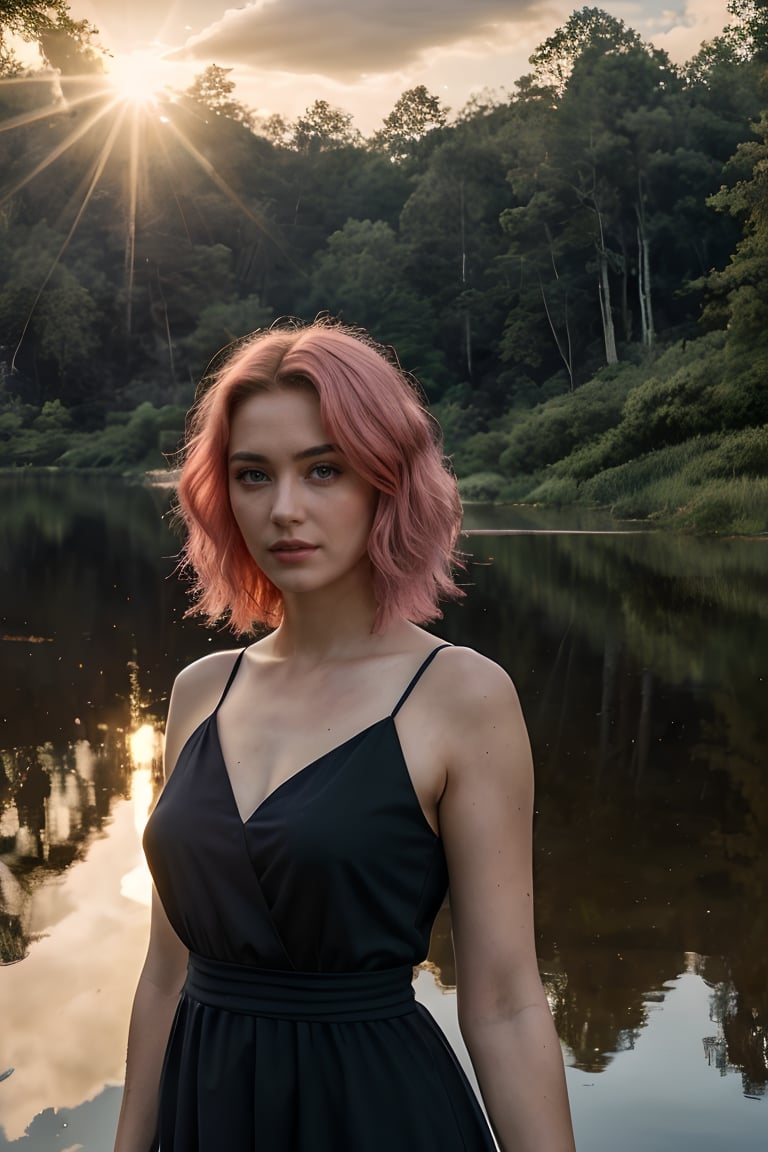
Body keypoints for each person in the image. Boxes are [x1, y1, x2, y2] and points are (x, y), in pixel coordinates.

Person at [114, 319, 576, 1152]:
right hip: (205, 1112)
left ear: (385, 481)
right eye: (253, 475)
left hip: (375, 1114)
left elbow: (505, 1001)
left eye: (322, 469)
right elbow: (163, 975)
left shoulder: (462, 696)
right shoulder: (199, 693)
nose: (283, 509)